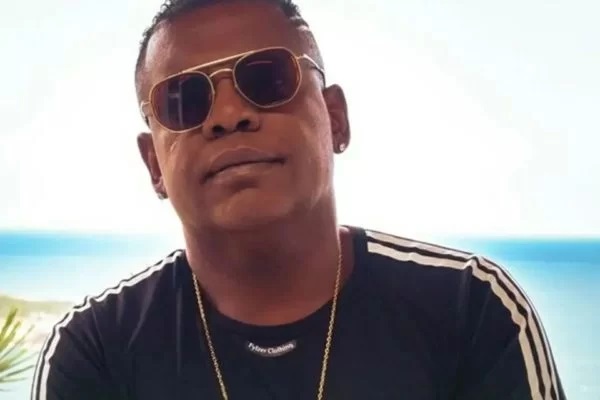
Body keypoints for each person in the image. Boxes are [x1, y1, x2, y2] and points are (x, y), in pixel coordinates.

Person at [31, 0, 567, 399]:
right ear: (154, 164)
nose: (227, 116)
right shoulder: (95, 352)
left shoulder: (471, 311)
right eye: (184, 99)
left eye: (266, 79)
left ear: (336, 119)